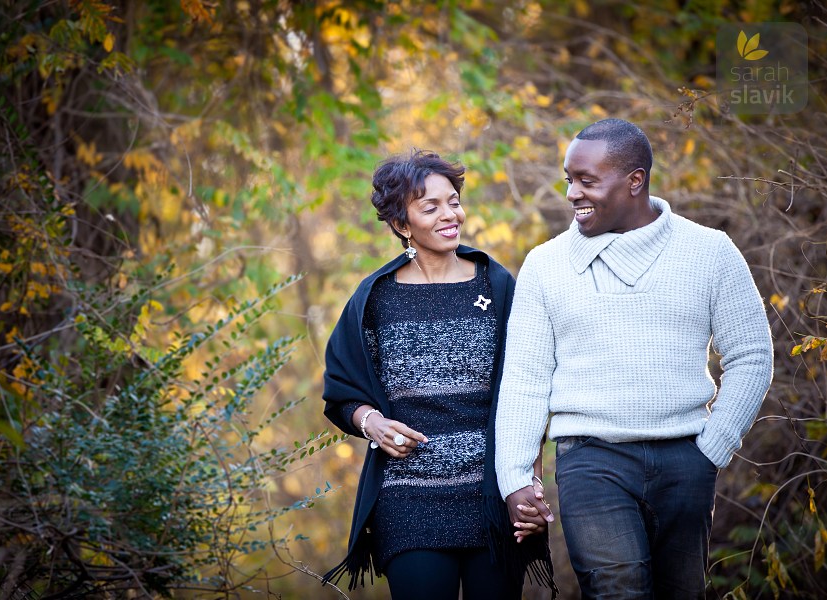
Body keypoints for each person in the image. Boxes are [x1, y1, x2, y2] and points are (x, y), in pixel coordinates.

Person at [495, 118, 774, 599]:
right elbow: (524, 379)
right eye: (569, 180)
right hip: (590, 459)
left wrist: (713, 447)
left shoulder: (709, 252)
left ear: (635, 180)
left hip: (686, 458)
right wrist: (515, 477)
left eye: (586, 181)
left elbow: (752, 355)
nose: (572, 194)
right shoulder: (545, 265)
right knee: (617, 589)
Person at [321, 150, 557, 599]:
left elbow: (527, 389)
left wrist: (530, 481)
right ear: (402, 224)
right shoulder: (374, 299)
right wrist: (373, 423)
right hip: (407, 497)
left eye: (454, 202)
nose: (450, 215)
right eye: (431, 207)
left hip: (493, 493)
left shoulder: (496, 285)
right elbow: (342, 391)